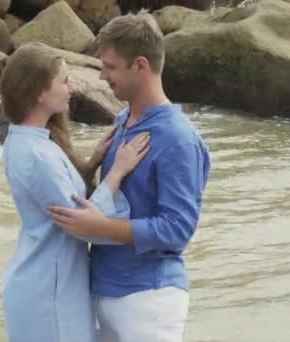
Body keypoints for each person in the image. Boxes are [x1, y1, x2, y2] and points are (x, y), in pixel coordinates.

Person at [47, 12, 211, 342]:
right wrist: (92, 163)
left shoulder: (177, 138)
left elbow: (178, 228)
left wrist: (100, 229)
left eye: (110, 66)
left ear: (140, 65)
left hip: (148, 298)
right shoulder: (123, 120)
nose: (102, 76)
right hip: (103, 288)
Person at [0, 42, 150, 342]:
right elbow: (83, 224)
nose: (71, 88)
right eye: (64, 81)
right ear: (40, 93)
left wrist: (91, 161)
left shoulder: (24, 140)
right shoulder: (38, 155)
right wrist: (118, 171)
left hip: (45, 280)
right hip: (50, 292)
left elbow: (58, 196)